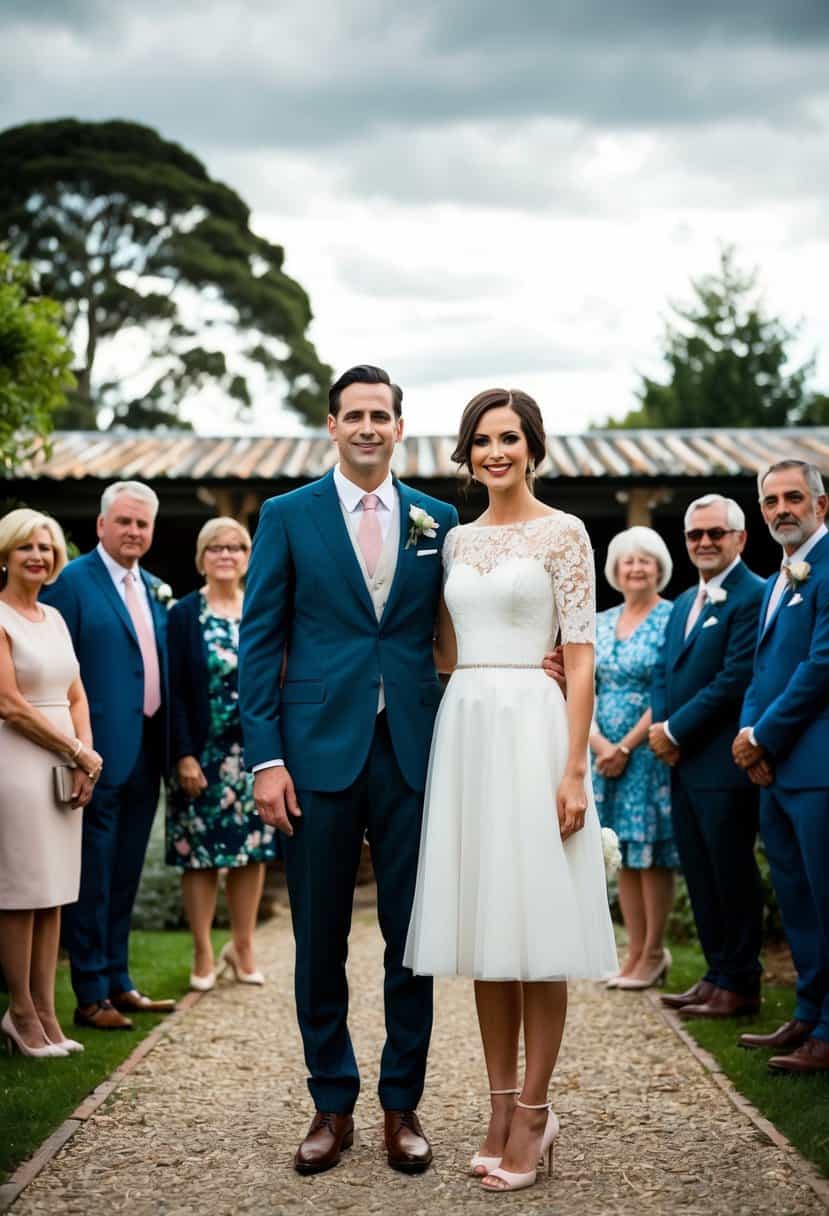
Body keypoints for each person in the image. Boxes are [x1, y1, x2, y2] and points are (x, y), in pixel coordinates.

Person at [238, 365, 458, 1176]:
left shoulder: (437, 518)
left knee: (413, 937)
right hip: (313, 752)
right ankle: (331, 1103)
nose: (368, 427)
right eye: (353, 415)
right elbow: (259, 638)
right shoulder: (287, 516)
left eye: (381, 415)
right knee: (318, 936)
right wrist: (265, 757)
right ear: (330, 425)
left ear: (400, 427)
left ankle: (402, 1104)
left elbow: (452, 624)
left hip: (411, 750)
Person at [404, 388, 617, 1194]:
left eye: (510, 438)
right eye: (482, 440)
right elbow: (445, 651)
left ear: (532, 446)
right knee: (488, 937)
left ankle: (535, 1110)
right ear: (468, 452)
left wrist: (571, 767)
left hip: (534, 729)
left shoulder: (565, 533)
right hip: (469, 729)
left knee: (538, 930)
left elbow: (582, 653)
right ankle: (496, 1108)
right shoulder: (454, 542)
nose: (496, 451)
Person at [42, 481, 175, 1030]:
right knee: (92, 876)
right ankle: (89, 991)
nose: (133, 532)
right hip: (94, 753)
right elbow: (54, 668)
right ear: (101, 525)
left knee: (125, 875)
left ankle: (120, 982)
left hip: (147, 750)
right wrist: (75, 747)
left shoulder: (153, 586)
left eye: (142, 524)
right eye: (123, 521)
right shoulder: (71, 582)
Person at [649, 495, 765, 1018]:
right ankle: (716, 975)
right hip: (682, 763)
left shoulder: (752, 595)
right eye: (695, 535)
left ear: (740, 538)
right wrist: (658, 726)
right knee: (699, 872)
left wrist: (674, 729)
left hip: (722, 764)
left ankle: (741, 982)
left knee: (731, 872)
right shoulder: (681, 604)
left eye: (716, 533)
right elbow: (662, 670)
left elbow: (735, 678)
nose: (704, 543)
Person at [733, 459, 829, 1074]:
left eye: (794, 497)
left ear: (822, 503)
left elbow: (821, 666)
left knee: (826, 898)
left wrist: (763, 736)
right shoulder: (780, 577)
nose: (781, 509)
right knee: (795, 899)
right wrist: (750, 737)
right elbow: (763, 669)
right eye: (771, 501)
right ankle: (808, 1011)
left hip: (817, 766)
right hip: (775, 769)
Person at [0, 509, 101, 1057]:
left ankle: (46, 1012)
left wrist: (84, 759)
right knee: (21, 893)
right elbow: (9, 704)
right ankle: (18, 1011)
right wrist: (76, 750)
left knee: (54, 892)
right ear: (5, 555)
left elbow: (77, 694)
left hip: (65, 763)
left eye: (45, 546)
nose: (37, 555)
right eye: (24, 548)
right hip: (16, 764)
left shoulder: (55, 618)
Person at [167, 516, 277, 990]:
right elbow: (172, 690)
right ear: (201, 557)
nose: (226, 555)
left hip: (253, 752)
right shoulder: (183, 614)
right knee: (201, 857)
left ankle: (244, 946)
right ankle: (203, 953)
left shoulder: (261, 608)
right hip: (203, 754)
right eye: (216, 548)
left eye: (235, 547)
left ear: (248, 556)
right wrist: (184, 755)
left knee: (252, 853)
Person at [590, 526, 677, 991]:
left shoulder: (671, 617)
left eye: (645, 560)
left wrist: (626, 746)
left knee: (650, 853)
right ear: (616, 570)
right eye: (628, 560)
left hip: (646, 751)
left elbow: (667, 688)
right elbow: (584, 684)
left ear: (659, 567)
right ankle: (632, 954)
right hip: (603, 753)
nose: (636, 567)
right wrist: (599, 743)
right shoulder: (601, 620)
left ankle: (653, 953)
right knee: (620, 852)